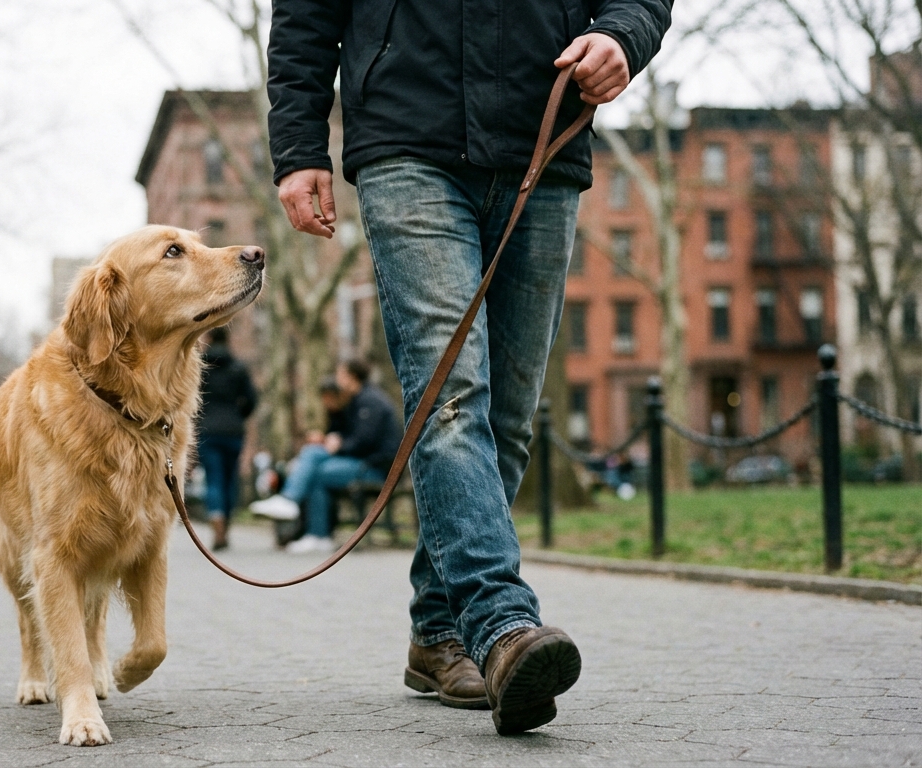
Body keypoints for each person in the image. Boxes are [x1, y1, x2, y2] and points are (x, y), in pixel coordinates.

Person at [267, 0, 671, 733]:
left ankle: (437, 631)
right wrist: (298, 149)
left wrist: (621, 35)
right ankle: (501, 625)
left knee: (508, 420)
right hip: (406, 140)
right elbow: (303, 13)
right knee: (450, 394)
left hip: (543, 135)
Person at [250, 360, 401, 554]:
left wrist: (338, 445)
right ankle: (317, 536)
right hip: (362, 463)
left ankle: (292, 503)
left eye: (340, 374)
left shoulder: (370, 401)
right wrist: (327, 440)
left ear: (350, 377)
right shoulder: (356, 400)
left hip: (375, 469)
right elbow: (350, 436)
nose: (337, 379)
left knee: (315, 463)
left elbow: (364, 442)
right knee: (316, 466)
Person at [195, 326, 258, 550]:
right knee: (230, 479)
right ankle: (227, 523)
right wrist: (238, 416)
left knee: (214, 478)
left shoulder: (200, 367)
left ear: (209, 338)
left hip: (207, 430)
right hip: (233, 431)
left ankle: (217, 520)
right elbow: (251, 400)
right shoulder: (239, 367)